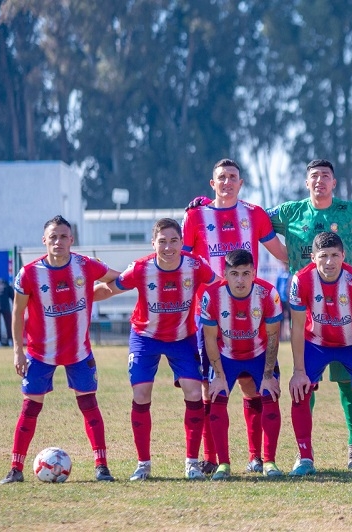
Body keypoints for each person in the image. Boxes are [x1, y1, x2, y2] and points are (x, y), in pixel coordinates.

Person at [182, 158, 288, 475]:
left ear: (240, 183)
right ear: (212, 184)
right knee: (210, 388)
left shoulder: (254, 214)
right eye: (221, 178)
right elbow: (183, 264)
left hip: (251, 311)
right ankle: (213, 460)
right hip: (210, 313)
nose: (227, 182)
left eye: (233, 177)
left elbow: (282, 254)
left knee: (253, 388)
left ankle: (257, 457)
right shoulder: (195, 216)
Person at [0, 215, 120, 484]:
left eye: (63, 236)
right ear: (44, 240)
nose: (58, 241)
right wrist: (17, 350)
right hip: (40, 353)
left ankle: (102, 466)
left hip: (79, 352)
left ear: (71, 240)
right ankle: (15, 469)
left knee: (89, 405)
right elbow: (17, 313)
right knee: (30, 408)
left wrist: (96, 292)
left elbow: (118, 280)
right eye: (53, 236)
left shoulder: (85, 265)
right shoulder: (29, 273)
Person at [94, 218, 216, 481]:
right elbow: (109, 289)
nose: (168, 247)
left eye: (174, 241)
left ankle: (192, 464)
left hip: (183, 337)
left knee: (194, 392)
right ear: (153, 243)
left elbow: (218, 288)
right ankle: (143, 464)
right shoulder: (141, 268)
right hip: (145, 336)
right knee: (141, 393)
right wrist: (75, 296)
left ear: (182, 243)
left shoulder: (196, 265)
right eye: (162, 241)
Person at [287, 232, 352, 475]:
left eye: (334, 256)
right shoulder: (301, 280)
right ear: (313, 257)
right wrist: (298, 372)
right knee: (300, 389)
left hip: (351, 345)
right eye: (323, 256)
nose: (329, 262)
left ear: (343, 256)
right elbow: (297, 327)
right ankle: (305, 457)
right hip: (316, 343)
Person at [200, 249, 284, 480]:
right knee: (216, 396)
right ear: (225, 273)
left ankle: (268, 461)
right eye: (234, 273)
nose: (240, 280)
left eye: (246, 273)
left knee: (269, 393)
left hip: (258, 353)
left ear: (254, 273)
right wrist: (218, 374)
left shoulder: (268, 293)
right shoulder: (211, 295)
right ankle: (223, 464)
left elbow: (274, 337)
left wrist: (268, 374)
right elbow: (209, 338)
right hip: (225, 354)